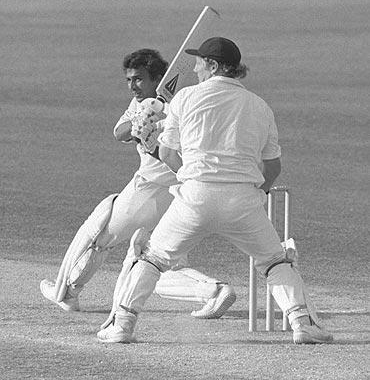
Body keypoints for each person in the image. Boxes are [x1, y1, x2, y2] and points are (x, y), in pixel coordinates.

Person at [97, 37, 334, 345]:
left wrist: (191, 179)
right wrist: (255, 194)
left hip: (195, 198)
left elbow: (168, 154)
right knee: (275, 261)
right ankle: (303, 324)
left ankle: (122, 325)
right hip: (243, 201)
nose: (195, 69)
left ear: (212, 66)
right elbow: (273, 167)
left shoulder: (185, 99)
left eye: (198, 63)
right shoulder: (260, 106)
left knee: (153, 258)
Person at [40, 48, 236, 319]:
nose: (133, 86)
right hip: (181, 195)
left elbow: (170, 155)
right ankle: (214, 291)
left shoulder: (178, 105)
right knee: (160, 261)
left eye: (139, 79)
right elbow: (118, 132)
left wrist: (152, 132)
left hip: (149, 190)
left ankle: (68, 292)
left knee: (101, 235)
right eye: (129, 80)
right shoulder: (143, 102)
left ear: (158, 78)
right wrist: (138, 122)